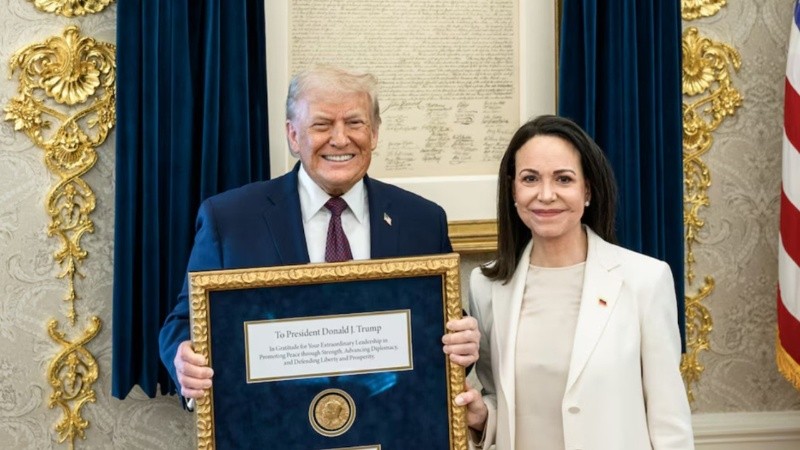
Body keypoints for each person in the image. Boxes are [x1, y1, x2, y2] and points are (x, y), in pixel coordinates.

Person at [158, 65, 479, 402]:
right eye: (322, 125)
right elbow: (184, 322)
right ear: (294, 135)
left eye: (355, 123)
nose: (340, 139)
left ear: (375, 132)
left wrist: (464, 342)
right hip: (272, 428)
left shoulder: (422, 220)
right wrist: (184, 360)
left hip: (389, 424)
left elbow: (441, 327)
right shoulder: (230, 220)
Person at [454, 115, 694, 449]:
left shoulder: (645, 280)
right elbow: (499, 395)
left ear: (588, 191)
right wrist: (482, 416)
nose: (546, 194)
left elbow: (669, 420)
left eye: (564, 179)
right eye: (530, 179)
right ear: (513, 190)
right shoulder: (487, 284)